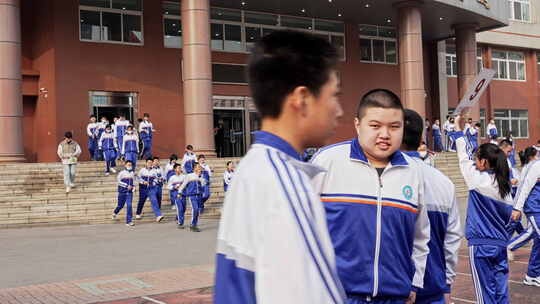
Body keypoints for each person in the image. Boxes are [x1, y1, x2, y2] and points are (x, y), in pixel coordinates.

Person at [214, 30, 346, 303]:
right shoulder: (284, 184)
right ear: (302, 99)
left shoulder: (253, 167)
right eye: (334, 95)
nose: (339, 110)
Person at [311, 89, 430, 304]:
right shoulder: (327, 162)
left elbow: (420, 236)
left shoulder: (413, 172)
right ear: (358, 125)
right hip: (336, 295)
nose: (385, 134)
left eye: (394, 127)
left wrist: (415, 281)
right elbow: (302, 227)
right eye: (375, 126)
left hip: (394, 296)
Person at [401, 109, 462, 304]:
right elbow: (452, 240)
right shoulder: (444, 183)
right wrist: (447, 283)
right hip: (434, 287)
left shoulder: (383, 179)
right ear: (421, 137)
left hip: (394, 288)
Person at [454, 115, 514, 304]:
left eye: (476, 159)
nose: (474, 161)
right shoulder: (505, 188)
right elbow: (511, 220)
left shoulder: (477, 180)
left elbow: (462, 157)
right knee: (501, 291)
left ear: (484, 162)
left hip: (480, 245)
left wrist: (457, 126)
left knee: (484, 294)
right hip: (500, 245)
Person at [509, 149, 540, 287]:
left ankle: (532, 275)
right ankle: (509, 246)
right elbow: (524, 186)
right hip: (534, 208)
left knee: (538, 241)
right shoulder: (535, 166)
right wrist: (517, 207)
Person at [176, 162, 206, 232]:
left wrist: (200, 177)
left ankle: (194, 225)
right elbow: (183, 185)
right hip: (192, 196)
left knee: (197, 211)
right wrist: (179, 192)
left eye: (200, 167)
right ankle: (193, 225)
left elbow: (203, 184)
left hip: (199, 195)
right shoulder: (189, 176)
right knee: (195, 209)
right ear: (194, 168)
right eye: (198, 167)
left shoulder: (200, 176)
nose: (199, 168)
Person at [135, 158, 164, 222]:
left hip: (151, 188)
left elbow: (156, 179)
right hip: (143, 188)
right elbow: (138, 178)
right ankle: (138, 213)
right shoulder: (142, 170)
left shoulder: (154, 171)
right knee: (141, 201)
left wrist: (153, 183)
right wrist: (143, 182)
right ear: (146, 163)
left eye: (151, 163)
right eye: (148, 163)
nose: (150, 164)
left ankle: (158, 215)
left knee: (154, 201)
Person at [111, 160, 136, 227]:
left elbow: (134, 182)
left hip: (129, 193)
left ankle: (129, 221)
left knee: (129, 205)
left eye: (130, 165)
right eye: (128, 165)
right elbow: (118, 181)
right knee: (120, 205)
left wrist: (133, 187)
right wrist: (126, 186)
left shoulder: (132, 173)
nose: (129, 166)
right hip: (122, 192)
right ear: (125, 165)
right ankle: (115, 212)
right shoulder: (122, 173)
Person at [167, 163, 186, 228]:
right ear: (175, 169)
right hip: (176, 195)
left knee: (183, 208)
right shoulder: (172, 177)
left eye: (180, 168)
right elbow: (168, 186)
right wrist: (174, 187)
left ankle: (178, 217)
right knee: (180, 208)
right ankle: (180, 223)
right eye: (178, 168)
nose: (179, 169)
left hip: (183, 194)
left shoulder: (184, 176)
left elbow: (186, 184)